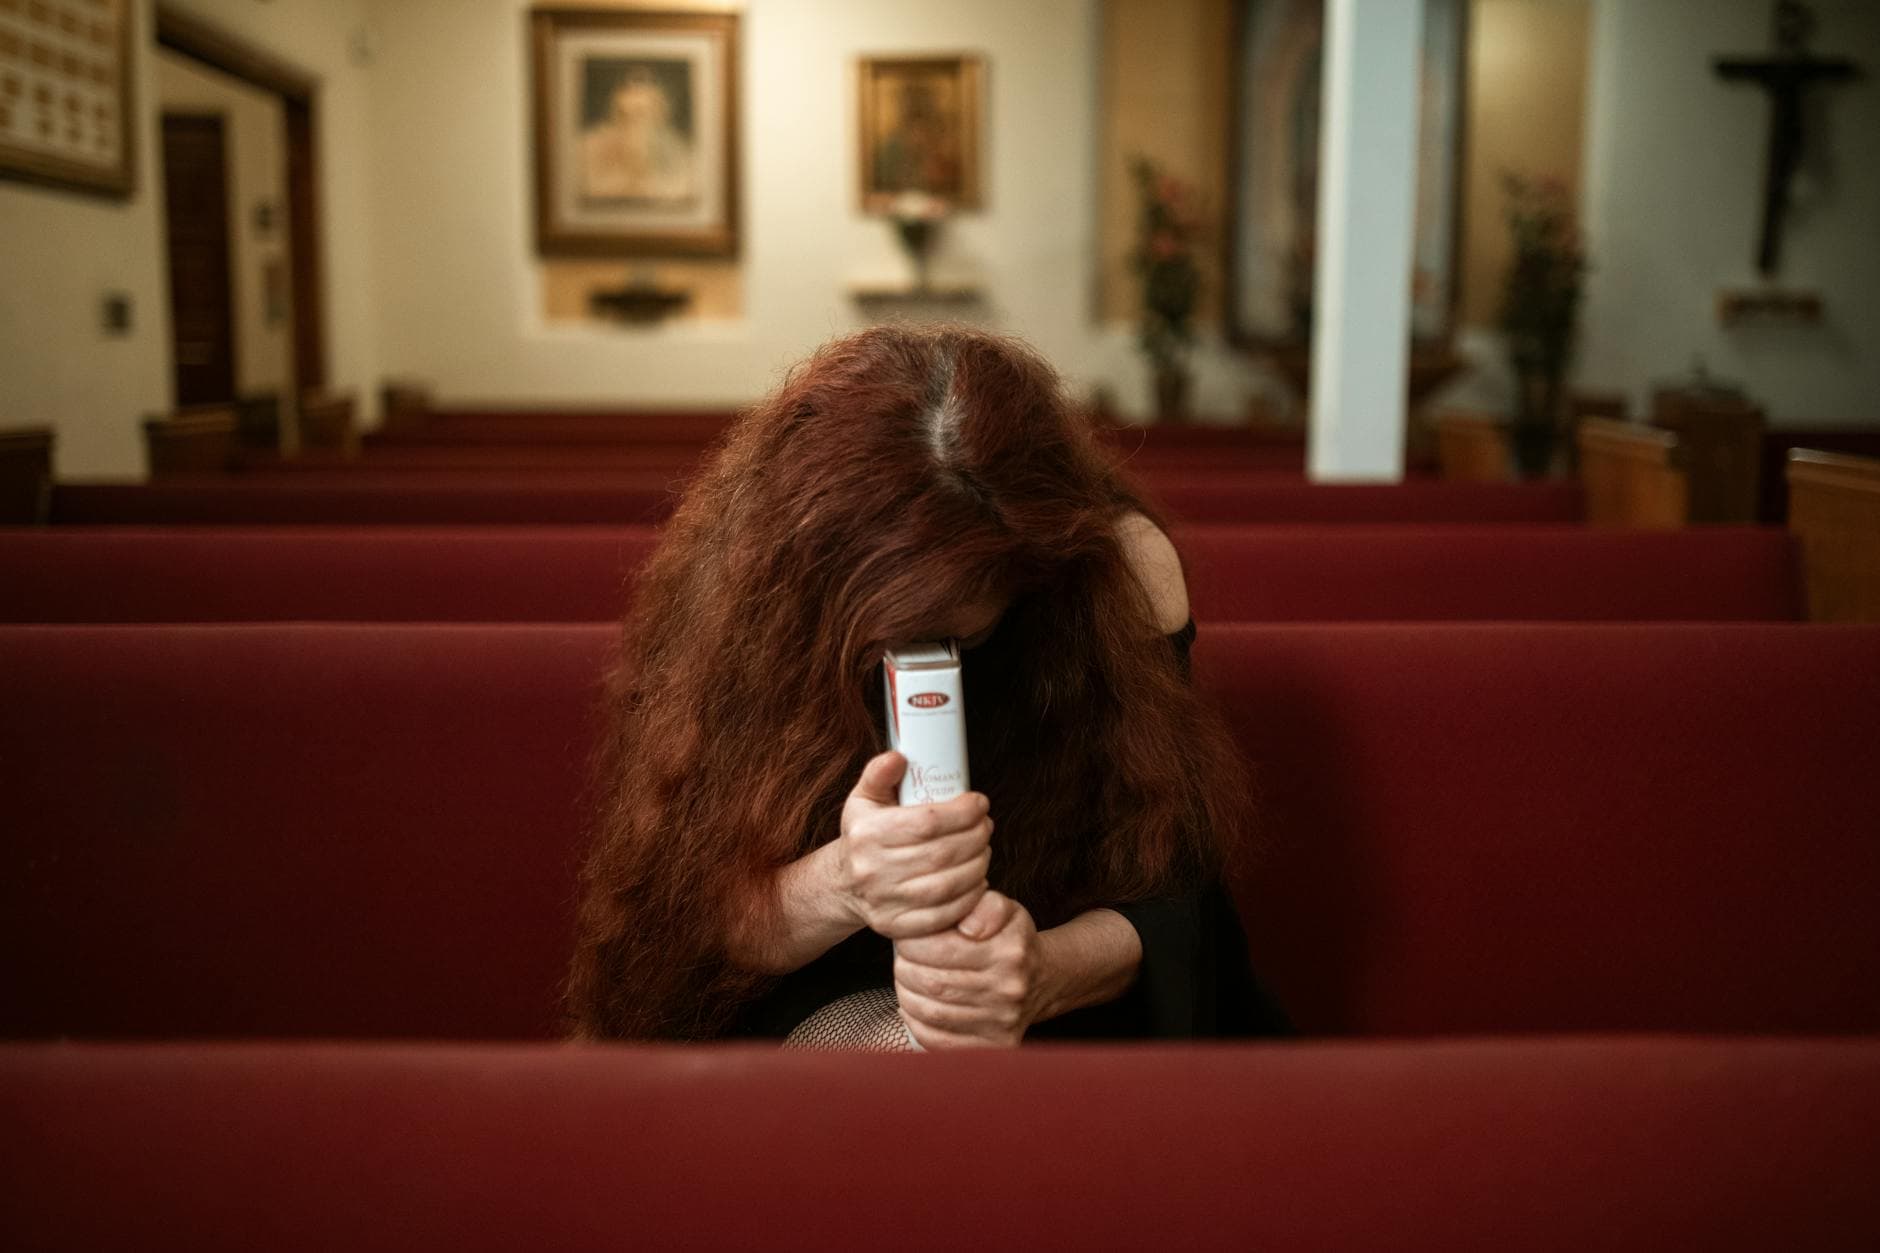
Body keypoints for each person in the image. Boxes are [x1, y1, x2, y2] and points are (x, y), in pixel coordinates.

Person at [563, 324, 1295, 1047]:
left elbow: (1174, 895)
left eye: (964, 599)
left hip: (1070, 989)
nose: (925, 630)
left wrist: (1041, 971)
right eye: (891, 603)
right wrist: (848, 880)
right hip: (830, 983)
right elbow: (692, 931)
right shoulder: (760, 591)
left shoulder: (1117, 568)